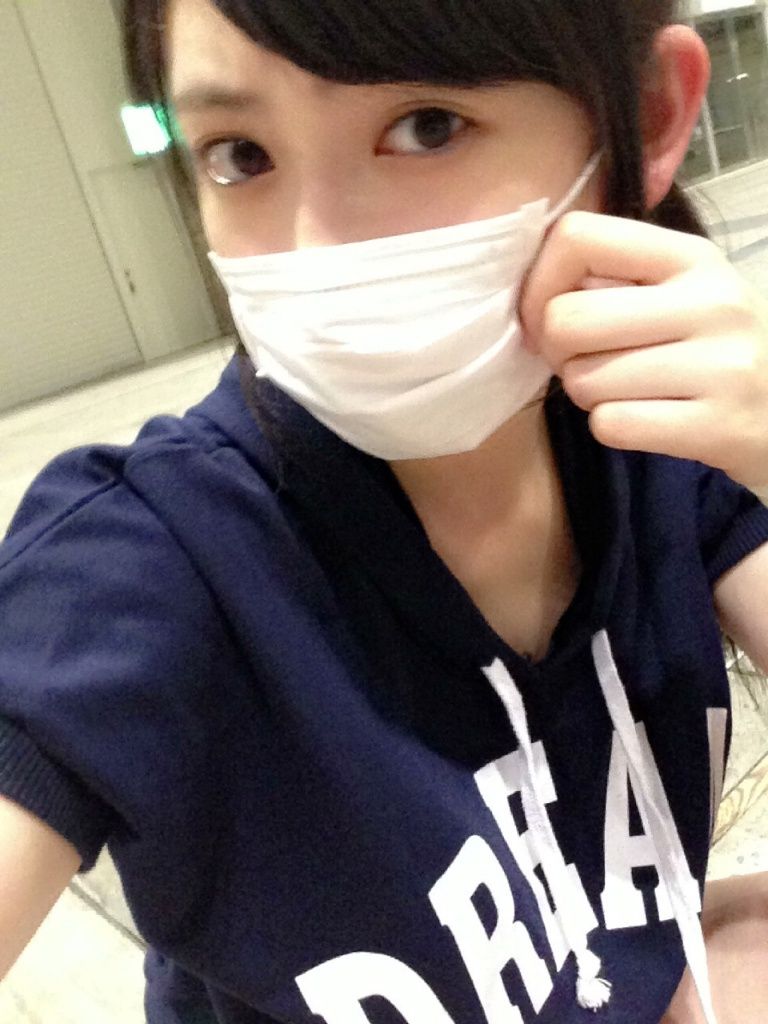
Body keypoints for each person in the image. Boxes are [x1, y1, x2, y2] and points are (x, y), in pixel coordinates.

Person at [1, 0, 768, 1021]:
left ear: (648, 115)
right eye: (240, 155)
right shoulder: (143, 560)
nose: (315, 249)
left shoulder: (660, 439)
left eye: (426, 127)